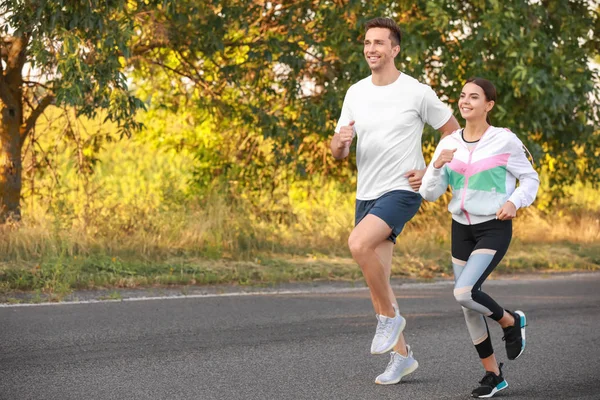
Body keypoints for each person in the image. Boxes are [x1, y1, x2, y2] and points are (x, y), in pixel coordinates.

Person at [330, 17, 460, 385]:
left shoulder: (416, 91)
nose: (372, 49)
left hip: (403, 190)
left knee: (357, 242)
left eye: (379, 43)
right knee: (379, 279)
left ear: (395, 49)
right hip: (366, 192)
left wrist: (436, 170)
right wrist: (339, 143)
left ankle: (389, 320)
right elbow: (338, 150)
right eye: (368, 43)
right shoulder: (355, 92)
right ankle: (402, 356)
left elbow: (453, 132)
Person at [419, 77, 539, 398]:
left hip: (493, 226)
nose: (465, 101)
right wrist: (435, 166)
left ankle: (510, 321)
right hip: (461, 227)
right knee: (468, 305)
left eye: (474, 97)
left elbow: (530, 179)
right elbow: (429, 194)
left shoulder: (505, 141)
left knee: (463, 292)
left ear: (489, 105)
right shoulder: (447, 144)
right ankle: (493, 375)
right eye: (462, 96)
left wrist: (515, 201)